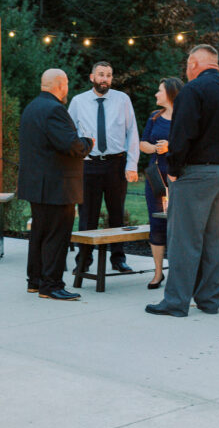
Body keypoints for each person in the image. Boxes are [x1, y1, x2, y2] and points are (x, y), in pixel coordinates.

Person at [146, 45, 219, 318]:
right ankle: (210, 300)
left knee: (184, 239)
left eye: (187, 66)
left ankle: (176, 302)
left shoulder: (193, 91)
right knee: (216, 240)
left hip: (198, 174)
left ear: (193, 64)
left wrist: (174, 170)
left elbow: (183, 134)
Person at [18, 69, 94, 300]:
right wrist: (87, 142)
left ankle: (36, 280)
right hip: (57, 186)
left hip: (38, 185)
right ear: (60, 85)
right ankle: (51, 285)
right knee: (56, 236)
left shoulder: (31, 107)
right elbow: (71, 146)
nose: (67, 89)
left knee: (40, 234)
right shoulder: (55, 110)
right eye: (67, 84)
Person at [68, 61, 140, 274]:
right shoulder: (78, 102)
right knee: (87, 215)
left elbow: (132, 132)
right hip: (88, 165)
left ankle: (118, 259)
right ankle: (84, 260)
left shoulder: (122, 100)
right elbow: (69, 133)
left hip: (115, 164)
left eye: (108, 75)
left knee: (116, 214)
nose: (105, 79)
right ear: (92, 77)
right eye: (101, 74)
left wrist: (132, 165)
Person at [139, 77, 184, 289]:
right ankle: (158, 273)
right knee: (156, 223)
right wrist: (154, 148)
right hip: (155, 178)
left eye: (159, 91)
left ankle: (178, 272)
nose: (156, 94)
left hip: (179, 177)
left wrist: (170, 147)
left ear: (170, 93)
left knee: (179, 225)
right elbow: (143, 143)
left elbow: (190, 145)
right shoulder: (154, 118)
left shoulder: (185, 118)